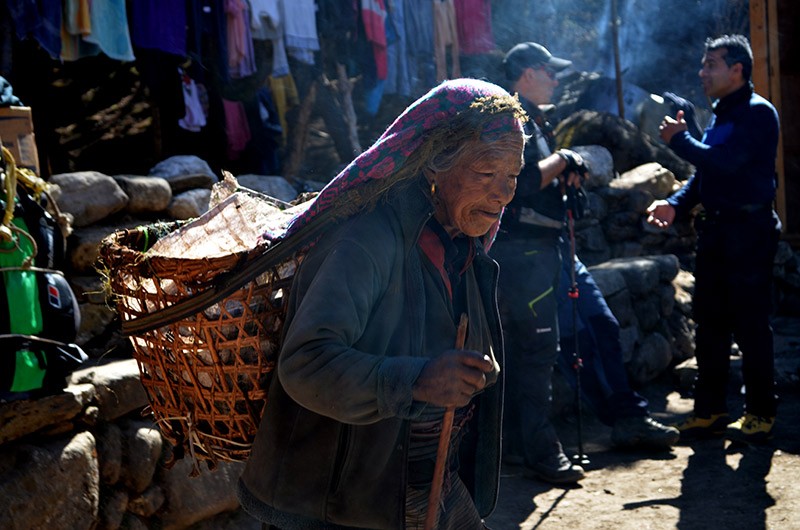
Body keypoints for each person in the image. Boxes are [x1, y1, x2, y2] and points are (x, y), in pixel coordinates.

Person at [238, 78, 526, 529]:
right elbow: (306, 365)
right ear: (434, 167)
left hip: (428, 488)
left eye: (513, 176)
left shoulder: (463, 246)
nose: (504, 192)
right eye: (487, 173)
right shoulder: (366, 239)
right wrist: (418, 380)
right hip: (337, 507)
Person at [494, 41, 678, 485]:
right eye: (548, 71)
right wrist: (566, 160)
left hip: (555, 248)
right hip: (525, 256)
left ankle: (626, 419)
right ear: (524, 73)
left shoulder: (537, 118)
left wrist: (566, 169)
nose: (556, 79)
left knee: (600, 326)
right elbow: (520, 185)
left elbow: (545, 179)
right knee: (537, 354)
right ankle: (536, 451)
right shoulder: (504, 119)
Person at [646, 34, 782, 444]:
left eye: (711, 65)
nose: (702, 73)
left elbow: (726, 163)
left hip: (750, 233)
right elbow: (707, 177)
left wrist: (680, 141)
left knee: (751, 325)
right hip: (717, 232)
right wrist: (674, 203)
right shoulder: (722, 116)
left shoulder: (758, 114)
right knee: (710, 325)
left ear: (736, 70)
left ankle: (760, 413)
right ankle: (710, 411)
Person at [556, 238, 680, 449]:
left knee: (604, 325)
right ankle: (620, 418)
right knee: (576, 339)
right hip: (531, 255)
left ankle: (630, 417)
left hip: (564, 250)